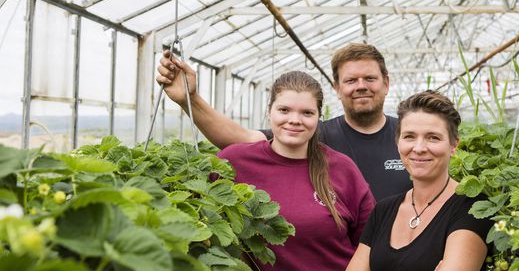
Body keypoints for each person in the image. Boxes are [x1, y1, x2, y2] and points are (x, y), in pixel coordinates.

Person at [218, 70, 375, 271]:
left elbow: (371, 244)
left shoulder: (340, 169)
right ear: (269, 112)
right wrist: (235, 253)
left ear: (318, 117)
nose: (294, 120)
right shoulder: (234, 162)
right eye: (284, 109)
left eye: (306, 113)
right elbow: (206, 219)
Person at [156, 43, 411, 201]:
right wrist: (190, 99)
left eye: (369, 78)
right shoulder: (314, 134)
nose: (361, 87)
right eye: (351, 80)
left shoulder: (410, 137)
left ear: (386, 83)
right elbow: (241, 139)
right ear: (337, 87)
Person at [336, 91, 492, 271]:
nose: (419, 148)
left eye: (433, 137)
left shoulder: (472, 207)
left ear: (454, 145)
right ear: (398, 142)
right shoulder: (384, 210)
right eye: (409, 136)